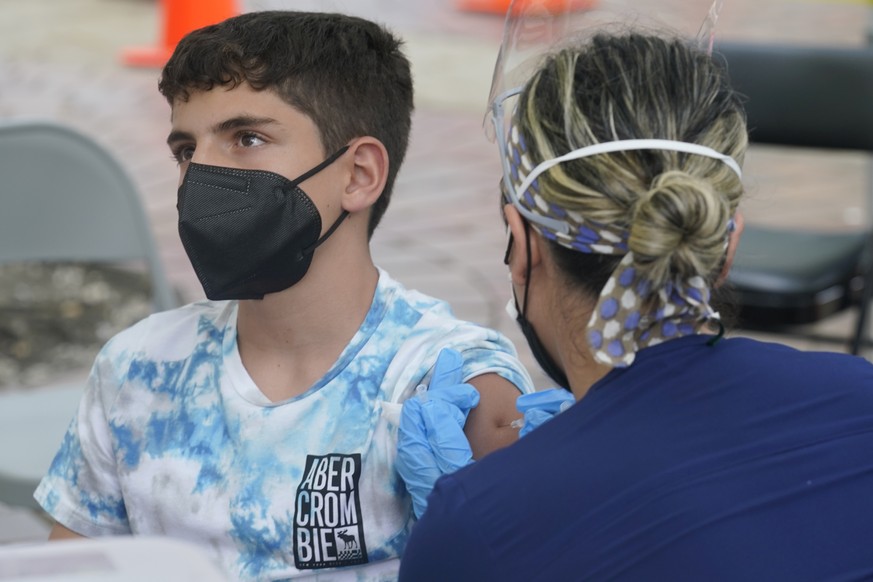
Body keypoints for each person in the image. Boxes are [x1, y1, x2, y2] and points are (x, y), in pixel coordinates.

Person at [33, 10, 533, 581]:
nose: (201, 176)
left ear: (359, 174)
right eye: (185, 150)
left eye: (248, 138)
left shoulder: (446, 389)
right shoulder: (137, 369)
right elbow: (65, 569)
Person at [398, 31, 873, 580]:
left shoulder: (478, 527)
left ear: (522, 243)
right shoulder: (860, 395)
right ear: (726, 243)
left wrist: (473, 525)